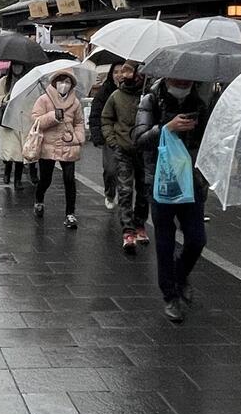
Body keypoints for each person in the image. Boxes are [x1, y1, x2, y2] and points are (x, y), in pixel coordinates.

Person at [135, 75, 211, 322]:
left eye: (187, 80)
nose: (182, 84)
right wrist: (167, 128)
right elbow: (139, 140)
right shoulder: (151, 100)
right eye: (177, 80)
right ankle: (170, 296)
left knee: (197, 239)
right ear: (168, 77)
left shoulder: (200, 103)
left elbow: (208, 141)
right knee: (165, 243)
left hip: (191, 181)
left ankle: (180, 275)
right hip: (161, 181)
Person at [26, 69, 87, 228]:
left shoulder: (75, 103)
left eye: (67, 82)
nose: (64, 85)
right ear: (55, 83)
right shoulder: (44, 100)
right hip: (49, 145)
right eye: (61, 81)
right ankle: (39, 199)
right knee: (46, 179)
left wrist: (79, 137)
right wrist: (53, 116)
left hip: (69, 143)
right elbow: (35, 120)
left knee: (69, 179)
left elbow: (79, 122)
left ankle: (70, 214)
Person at [99, 61, 147, 254]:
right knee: (125, 190)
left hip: (144, 150)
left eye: (129, 72)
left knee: (144, 190)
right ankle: (128, 229)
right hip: (123, 149)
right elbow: (106, 119)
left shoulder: (148, 96)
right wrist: (112, 140)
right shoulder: (116, 96)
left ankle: (140, 224)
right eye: (122, 73)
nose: (124, 76)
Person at [88, 64, 119, 212]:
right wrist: (98, 136)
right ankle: (110, 193)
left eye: (122, 71)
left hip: (130, 137)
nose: (119, 75)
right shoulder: (105, 92)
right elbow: (95, 114)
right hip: (110, 136)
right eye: (116, 72)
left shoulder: (137, 91)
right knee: (111, 169)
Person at [0, 65, 26, 187]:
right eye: (16, 66)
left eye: (20, 66)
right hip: (7, 120)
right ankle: (7, 173)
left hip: (21, 119)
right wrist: (5, 99)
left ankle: (18, 180)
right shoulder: (4, 81)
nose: (18, 69)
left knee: (20, 152)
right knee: (9, 151)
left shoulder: (26, 81)